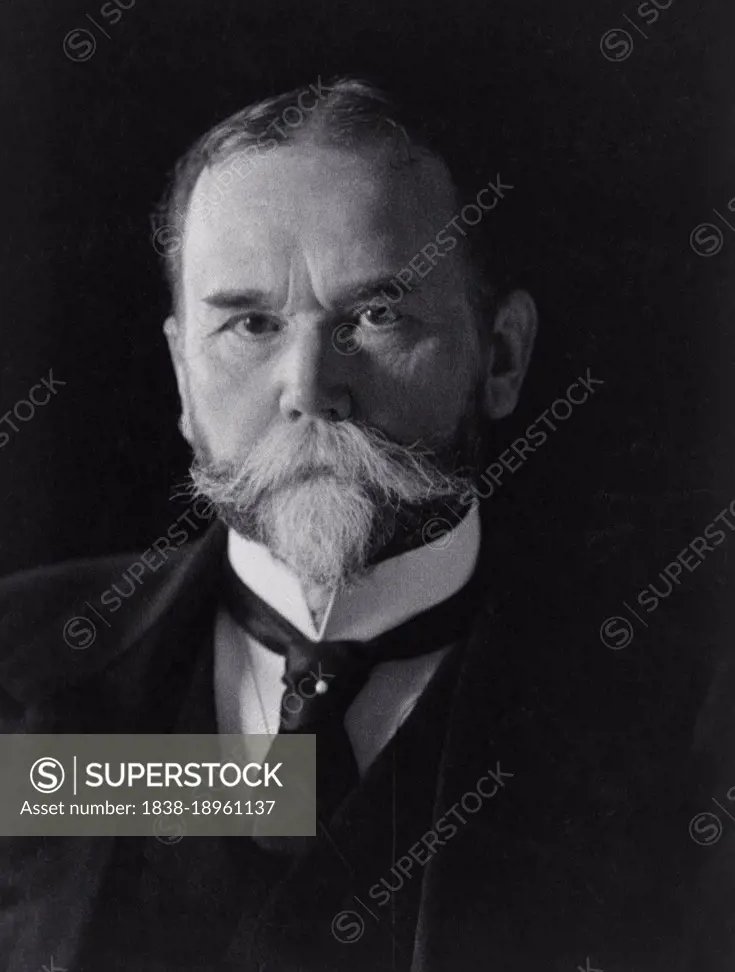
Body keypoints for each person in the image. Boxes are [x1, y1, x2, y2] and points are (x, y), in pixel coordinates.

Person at [0, 78, 724, 971]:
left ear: (500, 357)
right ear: (182, 376)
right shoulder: (17, 675)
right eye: (250, 323)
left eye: (375, 315)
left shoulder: (690, 704)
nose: (307, 387)